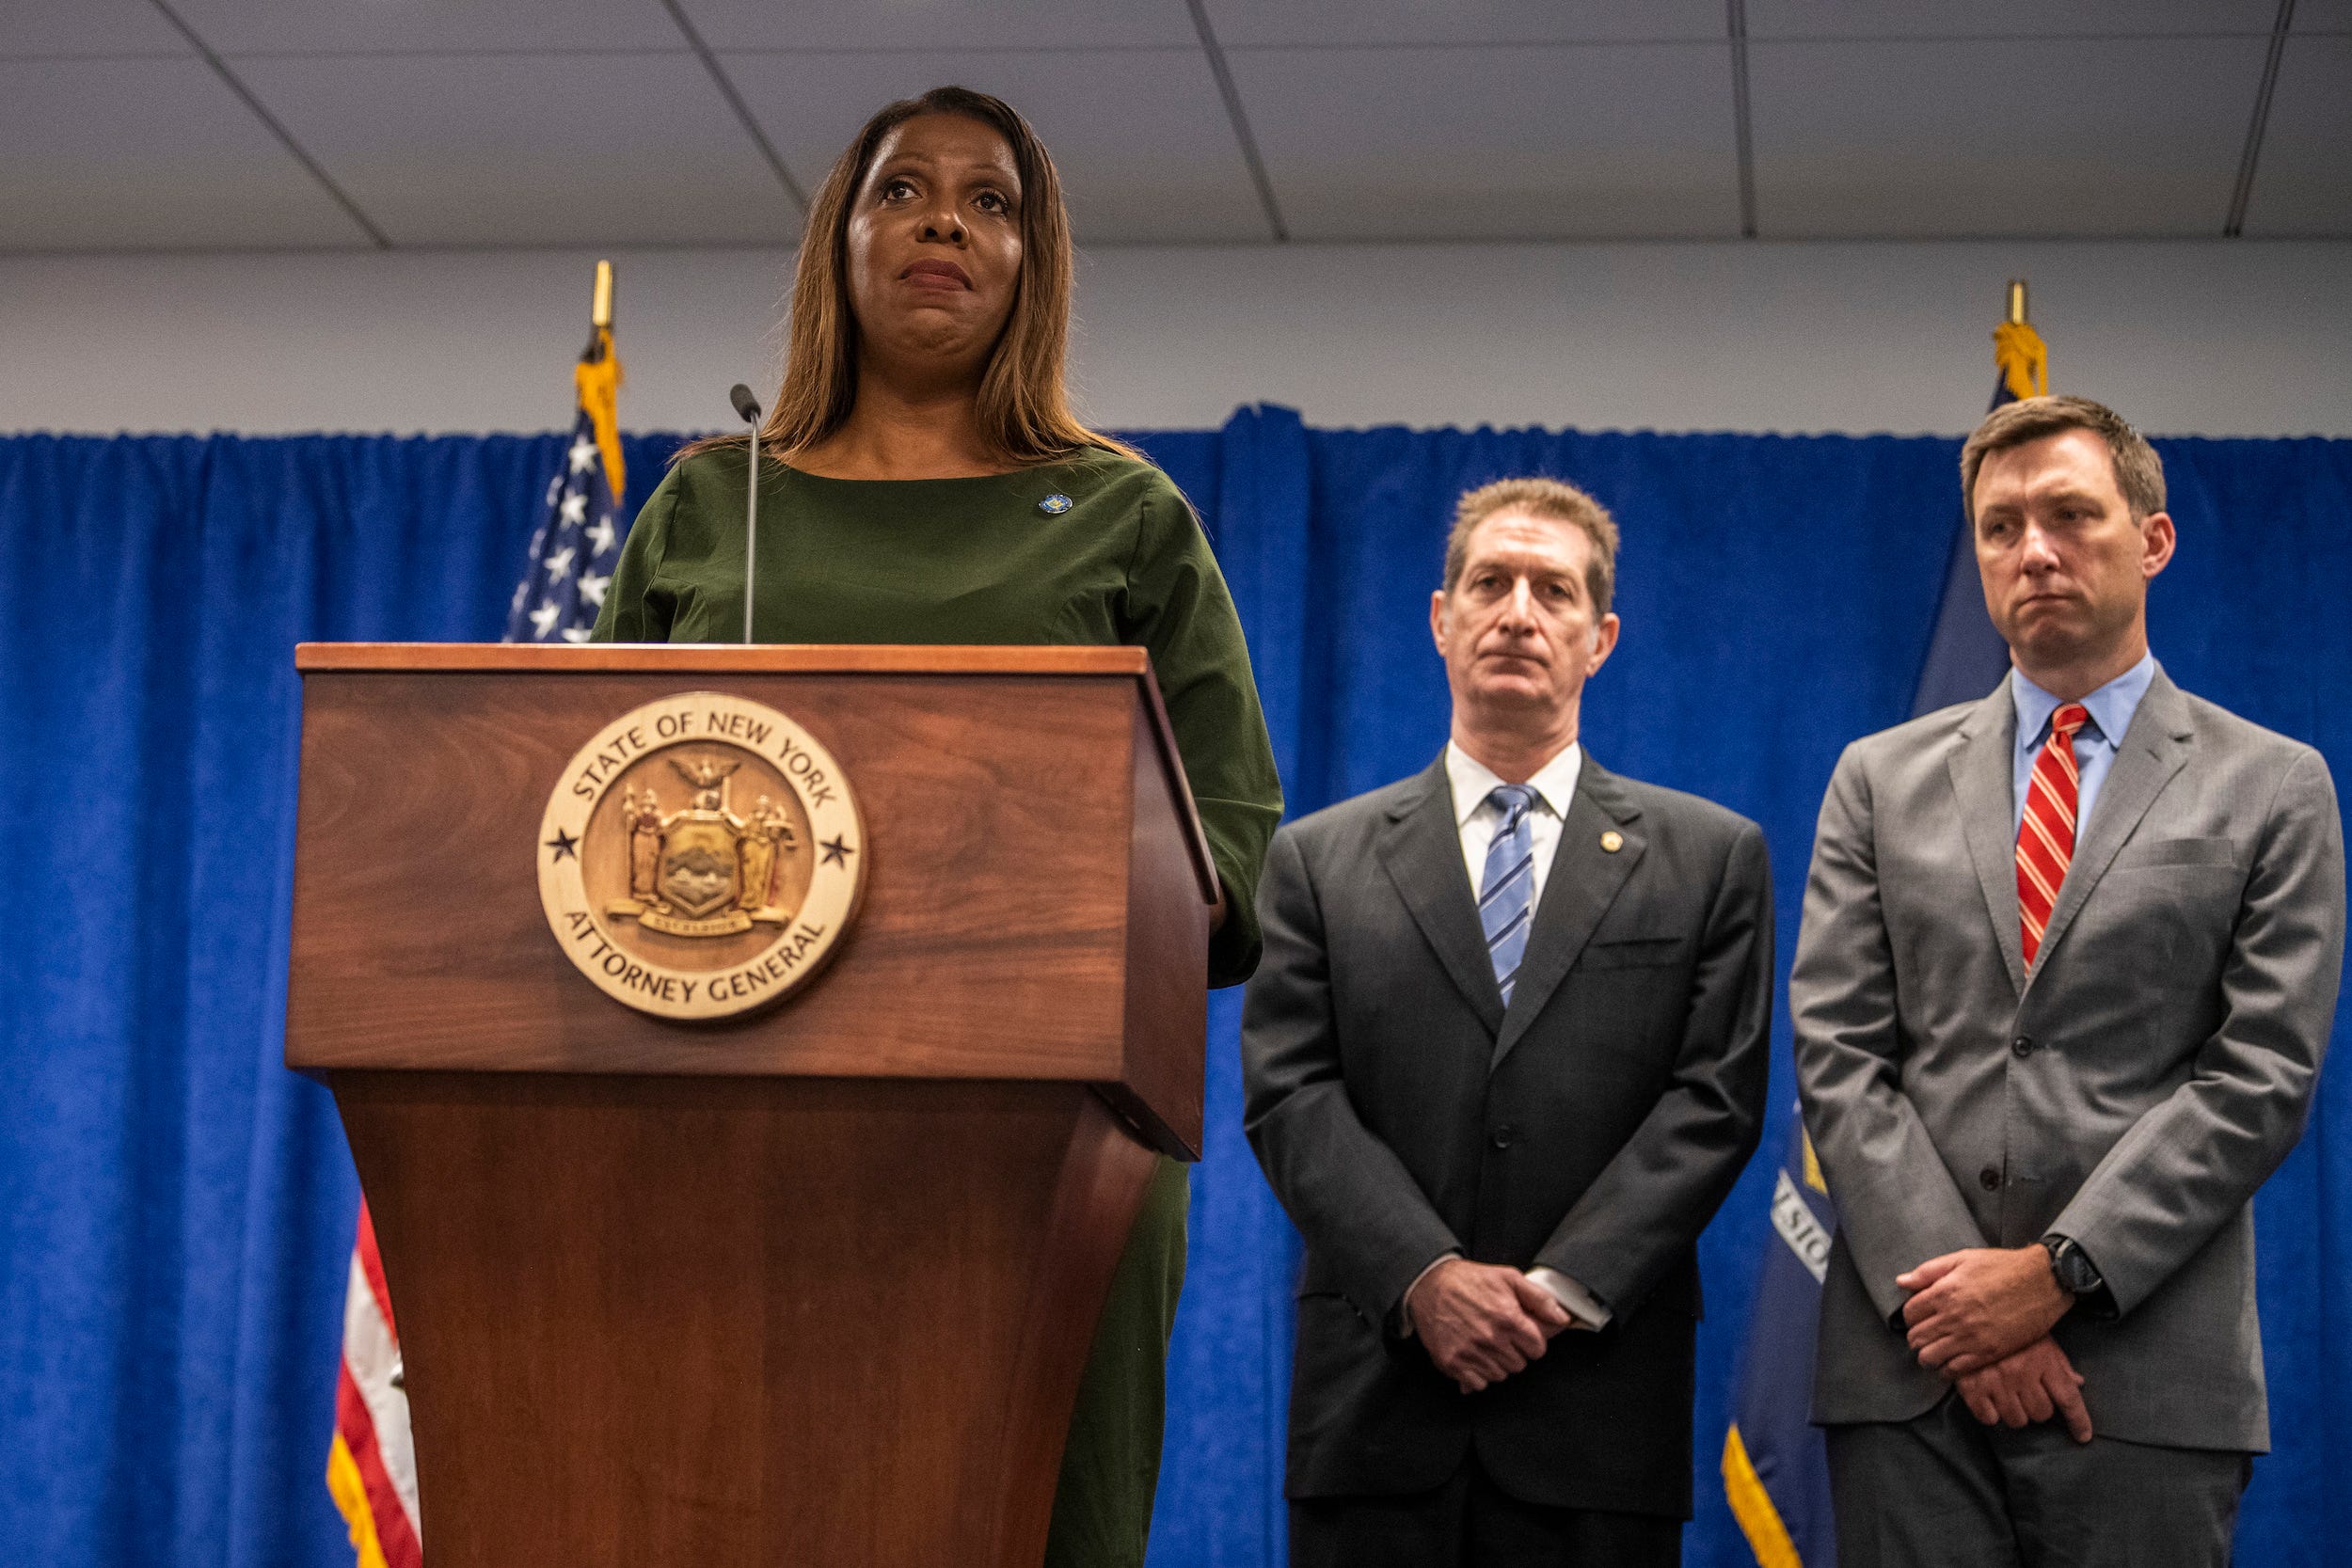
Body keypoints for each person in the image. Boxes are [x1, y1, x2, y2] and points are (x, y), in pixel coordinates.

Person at [590, 86, 1282, 1568]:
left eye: (992, 201)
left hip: (1050, 1132)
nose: (946, 224)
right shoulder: (716, 506)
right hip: (725, 1105)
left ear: (1034, 265)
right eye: (905, 191)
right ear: (839, 242)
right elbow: (578, 799)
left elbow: (1234, 847)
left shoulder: (1123, 513)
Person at [1792, 395, 2344, 1568]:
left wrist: (2054, 1275)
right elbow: (1838, 1055)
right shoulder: (1876, 778)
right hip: (1913, 1373)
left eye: (2069, 514)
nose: (2031, 549)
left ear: (2151, 540)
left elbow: (2260, 1076)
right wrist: (1969, 1318)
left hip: (2144, 1374)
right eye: (1999, 527)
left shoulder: (2274, 784)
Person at [1241, 478, 1774, 1566]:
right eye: (1489, 582)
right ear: (1442, 618)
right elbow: (1290, 1092)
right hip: (1375, 1410)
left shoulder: (1712, 857)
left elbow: (1714, 1101)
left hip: (1595, 1408)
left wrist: (1554, 1291)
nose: (1518, 612)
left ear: (1600, 637)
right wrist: (1425, 1276)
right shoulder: (1315, 860)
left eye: (1553, 590)